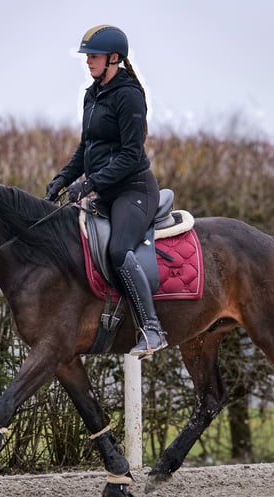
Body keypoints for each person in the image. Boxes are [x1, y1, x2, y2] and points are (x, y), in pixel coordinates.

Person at [45, 24, 167, 358]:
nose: (88, 62)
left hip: (134, 190)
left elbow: (131, 154)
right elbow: (87, 149)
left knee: (117, 251)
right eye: (87, 57)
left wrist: (91, 183)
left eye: (94, 57)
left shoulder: (128, 95)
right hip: (105, 191)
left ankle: (153, 330)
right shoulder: (92, 94)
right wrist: (62, 179)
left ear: (114, 58)